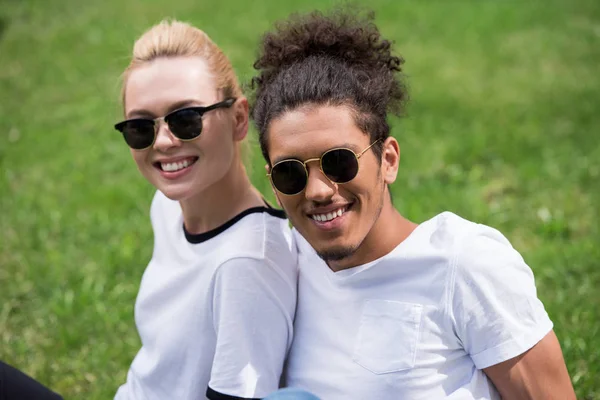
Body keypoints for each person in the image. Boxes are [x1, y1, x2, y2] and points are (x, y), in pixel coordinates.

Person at [250, 8, 576, 400]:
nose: (318, 190)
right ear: (272, 180)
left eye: (339, 161)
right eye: (290, 173)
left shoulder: (464, 263)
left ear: (387, 160)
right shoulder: (284, 266)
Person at [112, 20, 297, 400]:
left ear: (239, 119)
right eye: (140, 127)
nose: (163, 141)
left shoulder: (246, 264)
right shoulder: (167, 206)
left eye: (186, 120)